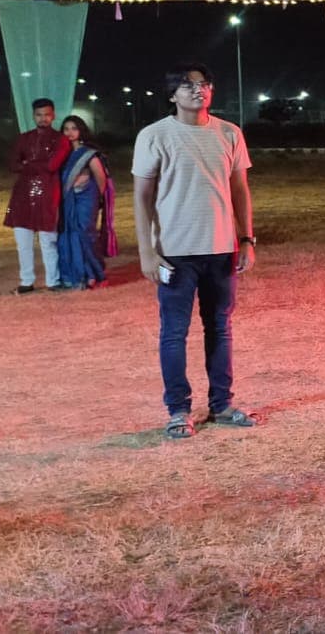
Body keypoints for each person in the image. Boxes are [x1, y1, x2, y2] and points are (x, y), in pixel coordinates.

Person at [132, 63, 257, 440]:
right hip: (175, 252)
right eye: (187, 86)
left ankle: (222, 404)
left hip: (220, 249)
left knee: (220, 327)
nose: (198, 90)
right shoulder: (154, 135)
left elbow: (239, 189)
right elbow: (142, 196)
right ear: (172, 95)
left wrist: (246, 239)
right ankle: (178, 410)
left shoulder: (229, 133)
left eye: (204, 84)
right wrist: (147, 252)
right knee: (174, 332)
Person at [4, 97, 70, 294]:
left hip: (48, 193)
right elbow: (13, 164)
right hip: (22, 194)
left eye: (47, 114)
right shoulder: (24, 138)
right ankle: (26, 281)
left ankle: (52, 281)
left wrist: (27, 164)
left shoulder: (61, 140)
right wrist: (33, 164)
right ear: (33, 116)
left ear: (53, 115)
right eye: (39, 115)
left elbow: (52, 165)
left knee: (48, 240)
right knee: (23, 241)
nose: (43, 118)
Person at [56, 115, 116, 289]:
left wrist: (96, 198)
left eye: (74, 128)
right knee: (69, 234)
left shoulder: (88, 153)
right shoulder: (62, 154)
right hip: (68, 200)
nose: (70, 132)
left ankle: (95, 274)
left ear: (81, 131)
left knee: (85, 233)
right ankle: (77, 275)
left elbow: (100, 178)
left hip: (86, 198)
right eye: (66, 129)